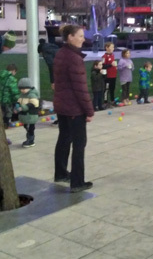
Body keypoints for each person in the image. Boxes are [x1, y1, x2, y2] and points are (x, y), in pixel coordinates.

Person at [53, 24, 94, 193]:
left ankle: (61, 173)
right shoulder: (74, 58)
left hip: (62, 106)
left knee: (64, 138)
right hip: (73, 109)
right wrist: (89, 110)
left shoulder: (61, 53)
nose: (83, 39)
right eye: (80, 36)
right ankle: (77, 182)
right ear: (70, 37)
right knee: (79, 143)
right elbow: (81, 88)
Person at [15, 77, 40, 148]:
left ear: (29, 88)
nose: (22, 90)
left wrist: (23, 107)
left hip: (30, 115)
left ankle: (31, 140)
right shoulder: (22, 95)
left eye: (24, 89)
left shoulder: (31, 95)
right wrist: (17, 105)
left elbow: (34, 104)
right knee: (26, 127)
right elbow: (19, 101)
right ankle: (29, 138)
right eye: (21, 89)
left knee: (30, 128)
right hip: (25, 116)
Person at [0, 63, 20, 130]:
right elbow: (14, 91)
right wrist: (18, 100)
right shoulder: (11, 79)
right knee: (8, 112)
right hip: (7, 99)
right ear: (13, 71)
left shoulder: (0, 77)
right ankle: (7, 124)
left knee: (2, 112)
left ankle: (0, 124)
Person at [102, 41, 118, 108]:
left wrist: (115, 67)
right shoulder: (104, 56)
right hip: (108, 76)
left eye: (113, 47)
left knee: (112, 88)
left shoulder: (112, 55)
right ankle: (105, 102)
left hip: (113, 75)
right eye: (112, 47)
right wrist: (110, 65)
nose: (113, 48)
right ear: (107, 48)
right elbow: (103, 66)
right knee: (107, 89)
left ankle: (112, 101)